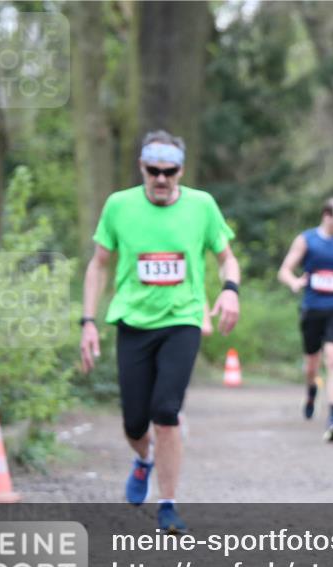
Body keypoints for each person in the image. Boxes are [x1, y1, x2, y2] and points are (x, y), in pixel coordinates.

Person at [79, 130, 240, 534]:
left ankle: (167, 502)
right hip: (132, 322)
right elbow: (98, 265)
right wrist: (88, 322)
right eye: (154, 171)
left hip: (182, 320)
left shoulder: (202, 205)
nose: (162, 179)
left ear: (181, 170)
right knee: (134, 422)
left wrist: (231, 291)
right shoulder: (119, 205)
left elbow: (226, 258)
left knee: (165, 412)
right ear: (142, 168)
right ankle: (143, 459)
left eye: (170, 171)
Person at [278, 198, 333, 442]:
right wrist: (294, 282)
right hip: (312, 309)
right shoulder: (307, 239)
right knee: (312, 365)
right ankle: (311, 389)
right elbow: (285, 270)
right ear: (326, 216)